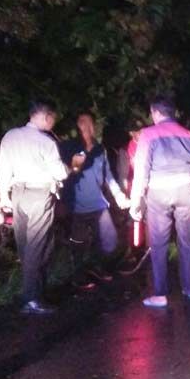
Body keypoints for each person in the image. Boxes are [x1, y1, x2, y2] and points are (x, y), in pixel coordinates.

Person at [129, 97, 190, 307]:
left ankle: (161, 294)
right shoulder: (189, 135)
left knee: (158, 243)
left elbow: (141, 170)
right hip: (186, 191)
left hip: (158, 193)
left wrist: (135, 200)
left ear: (155, 113)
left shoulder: (148, 135)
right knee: (188, 240)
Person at [0, 102, 68, 315]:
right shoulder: (46, 142)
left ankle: (37, 291)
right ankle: (32, 299)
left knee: (28, 245)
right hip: (39, 194)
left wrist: (3, 197)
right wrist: (70, 165)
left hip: (17, 194)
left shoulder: (10, 137)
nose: (53, 123)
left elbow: (4, 169)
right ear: (46, 118)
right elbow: (61, 174)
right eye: (53, 119)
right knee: (37, 246)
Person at [61, 113, 130, 289]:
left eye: (91, 124)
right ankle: (78, 275)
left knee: (108, 239)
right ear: (77, 127)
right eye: (83, 124)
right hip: (77, 205)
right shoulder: (68, 147)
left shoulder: (100, 149)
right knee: (78, 243)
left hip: (98, 204)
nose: (88, 128)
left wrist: (118, 195)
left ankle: (97, 266)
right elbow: (62, 174)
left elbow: (108, 176)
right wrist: (75, 166)